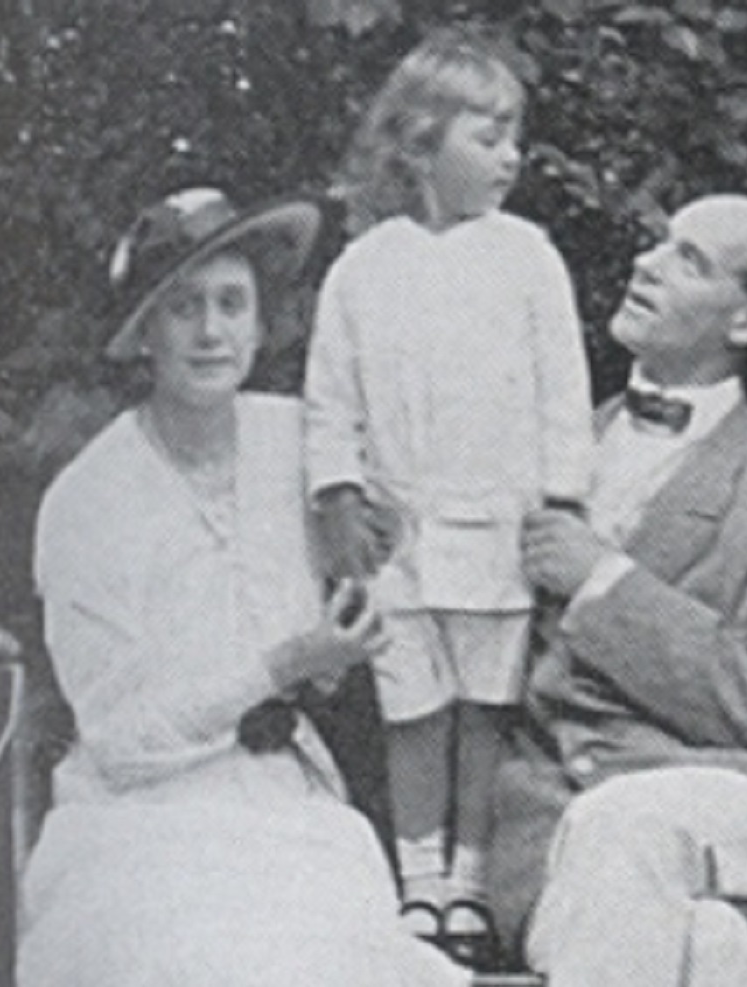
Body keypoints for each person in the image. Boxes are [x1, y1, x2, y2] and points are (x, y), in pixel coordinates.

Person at [17, 187, 468, 987]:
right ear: (144, 334)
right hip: (135, 826)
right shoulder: (92, 498)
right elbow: (120, 742)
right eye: (183, 307)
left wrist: (362, 604)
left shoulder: (300, 444)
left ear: (263, 324)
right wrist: (285, 661)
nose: (212, 331)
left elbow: (407, 531)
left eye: (233, 303)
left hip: (289, 806)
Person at [485, 194, 747, 986]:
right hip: (561, 831)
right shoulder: (550, 455)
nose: (645, 264)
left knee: (630, 825)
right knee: (709, 947)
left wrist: (601, 580)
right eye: (658, 244)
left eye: (687, 260)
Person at [305, 28, 593, 954]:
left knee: (484, 711)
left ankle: (468, 885)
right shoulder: (364, 267)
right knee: (413, 711)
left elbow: (564, 394)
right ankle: (417, 885)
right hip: (401, 537)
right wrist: (339, 496)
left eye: (515, 137)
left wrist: (563, 503)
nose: (510, 157)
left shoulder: (528, 256)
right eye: (489, 136)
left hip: (500, 531)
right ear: (419, 142)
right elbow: (330, 399)